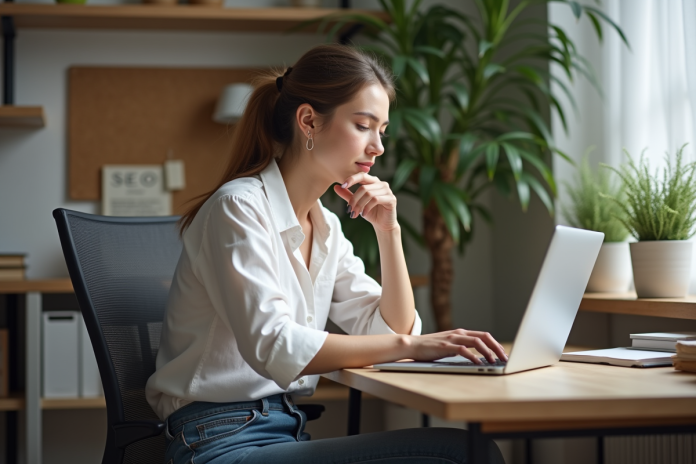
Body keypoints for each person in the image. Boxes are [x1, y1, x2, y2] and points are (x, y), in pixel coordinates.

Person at [146, 44, 507, 464]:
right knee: (464, 454)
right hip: (218, 440)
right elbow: (275, 346)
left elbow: (387, 332)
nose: (378, 148)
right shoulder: (239, 208)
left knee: (466, 451)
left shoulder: (327, 227)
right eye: (363, 125)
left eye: (382, 131)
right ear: (308, 121)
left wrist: (389, 232)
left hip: (283, 431)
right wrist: (414, 343)